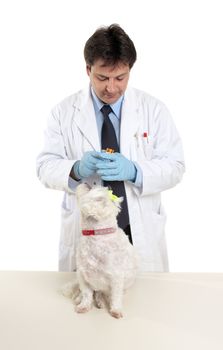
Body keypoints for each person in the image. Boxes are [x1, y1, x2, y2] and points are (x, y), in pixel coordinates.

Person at [36, 24, 185, 272]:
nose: (111, 88)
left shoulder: (153, 110)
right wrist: (76, 169)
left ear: (130, 70)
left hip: (136, 230)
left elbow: (176, 166)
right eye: (102, 78)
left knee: (146, 303)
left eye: (120, 78)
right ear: (88, 69)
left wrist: (135, 171)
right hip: (89, 231)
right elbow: (44, 167)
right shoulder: (63, 112)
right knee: (86, 300)